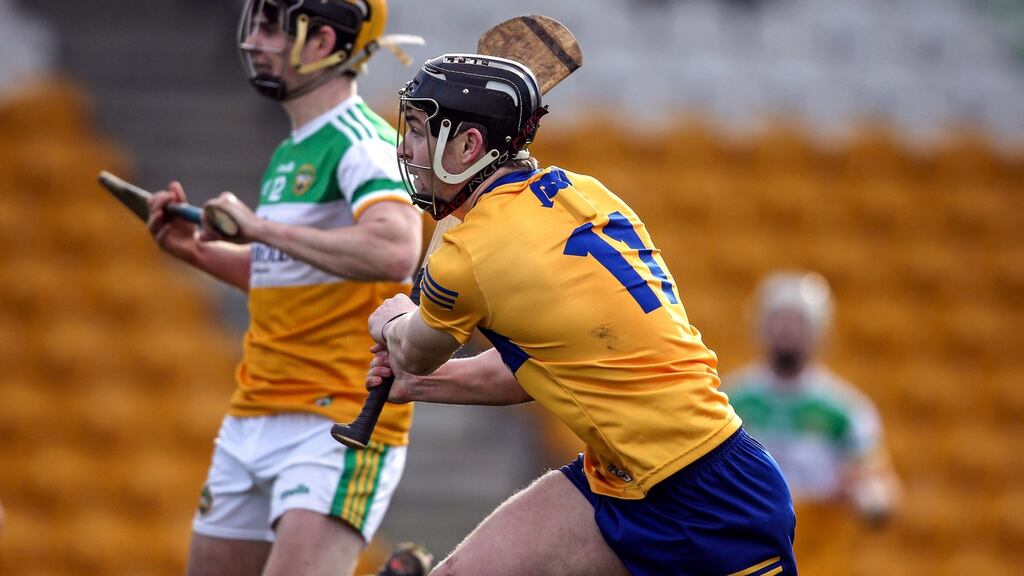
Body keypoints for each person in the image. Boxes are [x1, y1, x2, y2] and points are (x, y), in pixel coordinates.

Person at [363, 53, 798, 575]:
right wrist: (418, 387)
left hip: (711, 496)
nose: (406, 147)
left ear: (470, 145)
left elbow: (415, 349)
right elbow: (549, 367)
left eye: (417, 130)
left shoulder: (470, 254)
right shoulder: (587, 192)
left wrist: (389, 320)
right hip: (617, 481)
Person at [145, 2, 422, 575]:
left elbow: (396, 249)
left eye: (273, 28)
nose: (254, 41)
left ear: (322, 42)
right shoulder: (293, 149)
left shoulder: (361, 141)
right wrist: (197, 250)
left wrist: (258, 227)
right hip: (254, 410)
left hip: (337, 419)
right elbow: (282, 272)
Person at [724, 271, 900, 525]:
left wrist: (871, 496)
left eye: (798, 322)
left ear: (819, 329)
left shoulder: (845, 409)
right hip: (745, 552)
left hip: (818, 557)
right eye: (779, 320)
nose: (787, 330)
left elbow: (876, 481)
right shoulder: (731, 402)